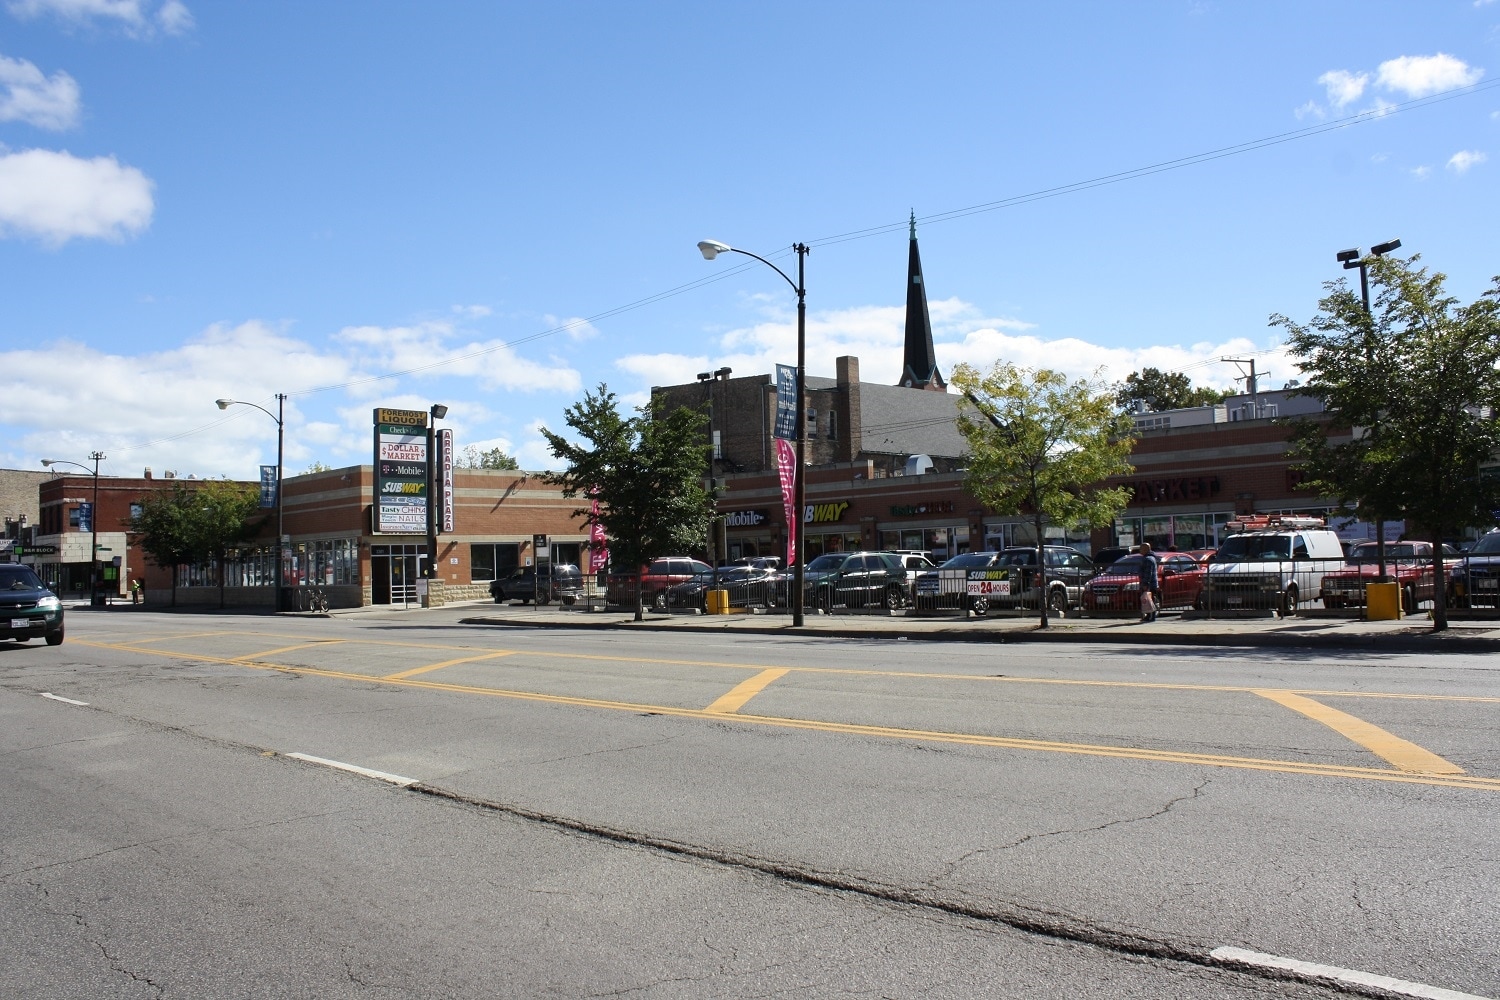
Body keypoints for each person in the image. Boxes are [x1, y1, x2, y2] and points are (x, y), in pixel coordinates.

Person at [1138, 542, 1160, 623]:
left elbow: (1148, 573)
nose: (1140, 550)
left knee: (1148, 600)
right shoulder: (1151, 558)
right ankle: (1149, 616)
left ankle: (1150, 616)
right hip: (1152, 583)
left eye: (1141, 548)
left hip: (1149, 584)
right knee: (1149, 600)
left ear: (1145, 549)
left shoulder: (1148, 559)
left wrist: (1145, 584)